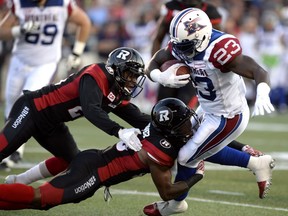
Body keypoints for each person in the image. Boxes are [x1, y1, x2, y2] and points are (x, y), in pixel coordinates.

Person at [143, 8, 275, 215]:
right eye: (179, 45)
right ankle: (256, 163)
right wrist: (160, 77)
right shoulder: (182, 43)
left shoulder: (219, 50)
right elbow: (154, 62)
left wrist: (263, 92)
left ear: (202, 36)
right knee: (179, 139)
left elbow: (259, 71)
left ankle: (176, 205)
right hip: (206, 107)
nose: (181, 52)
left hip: (229, 115)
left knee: (187, 157)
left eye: (186, 46)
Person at [0, 98, 205, 210]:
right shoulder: (159, 151)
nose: (189, 126)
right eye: (183, 123)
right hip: (92, 172)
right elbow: (167, 192)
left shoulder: (157, 132)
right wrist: (196, 176)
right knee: (40, 197)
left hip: (93, 163)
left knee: (41, 204)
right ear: (170, 129)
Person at [0, 47, 150, 184]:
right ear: (115, 70)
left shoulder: (117, 92)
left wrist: (164, 124)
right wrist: (119, 131)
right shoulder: (95, 74)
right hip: (32, 109)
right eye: (129, 75)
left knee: (72, 162)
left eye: (136, 76)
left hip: (52, 123)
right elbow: (91, 110)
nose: (133, 81)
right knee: (2, 148)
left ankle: (18, 181)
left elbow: (137, 117)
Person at [0, 0, 91, 168]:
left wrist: (76, 52)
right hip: (20, 60)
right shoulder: (20, 4)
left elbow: (84, 22)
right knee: (11, 102)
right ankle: (12, 148)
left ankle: (14, 151)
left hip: (46, 63)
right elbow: (1, 31)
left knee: (27, 101)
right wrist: (19, 30)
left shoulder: (62, 4)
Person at [151, 0, 222, 108]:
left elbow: (218, 42)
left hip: (196, 65)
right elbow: (158, 38)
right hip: (172, 60)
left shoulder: (211, 12)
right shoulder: (171, 7)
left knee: (184, 108)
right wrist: (158, 64)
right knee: (162, 108)